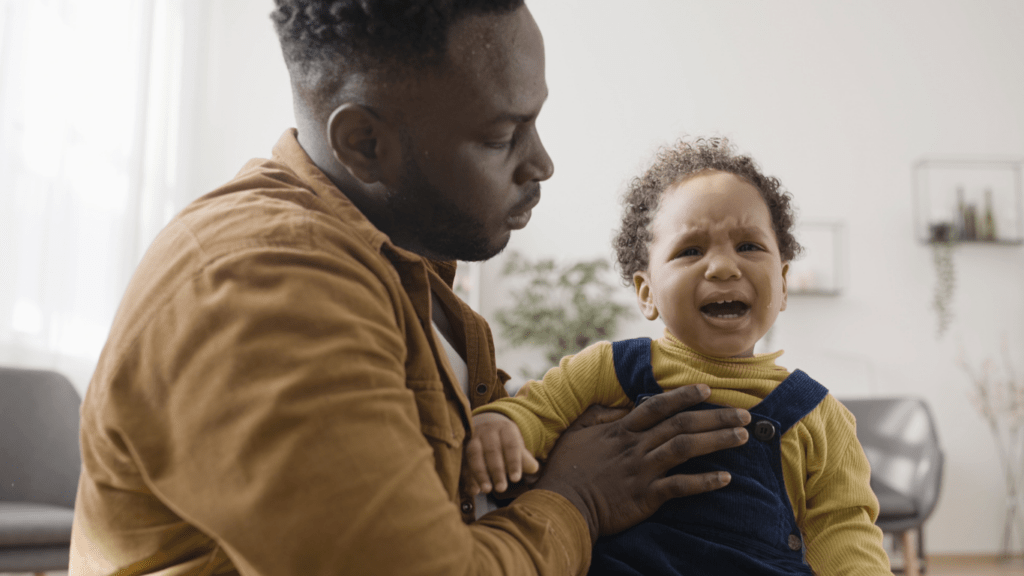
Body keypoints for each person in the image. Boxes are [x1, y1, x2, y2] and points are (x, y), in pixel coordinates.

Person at [69, 3, 754, 575]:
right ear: (364, 144)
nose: (542, 163)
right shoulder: (261, 282)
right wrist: (578, 498)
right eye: (500, 137)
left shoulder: (400, 263)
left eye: (535, 121)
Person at [468, 137, 893, 575]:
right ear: (646, 292)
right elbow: (539, 410)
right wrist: (502, 424)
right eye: (691, 250)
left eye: (749, 246)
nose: (724, 267)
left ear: (783, 284)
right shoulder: (610, 369)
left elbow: (845, 532)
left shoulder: (820, 416)